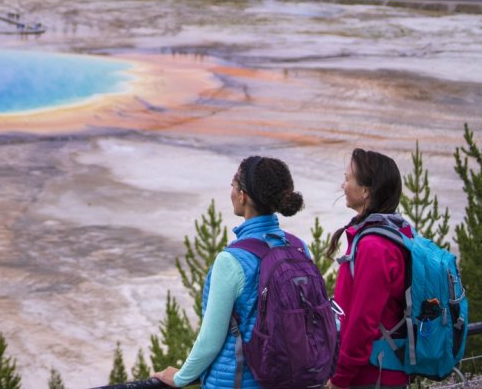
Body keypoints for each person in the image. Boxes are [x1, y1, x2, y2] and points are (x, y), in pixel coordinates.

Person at [155, 155, 307, 389]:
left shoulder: (232, 260)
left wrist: (180, 378)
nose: (231, 191)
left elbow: (210, 340)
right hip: (290, 380)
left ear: (242, 195)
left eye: (233, 185)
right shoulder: (299, 248)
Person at [324, 148, 409, 389]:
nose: (343, 185)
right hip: (383, 370)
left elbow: (363, 321)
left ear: (366, 191)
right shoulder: (393, 233)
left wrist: (340, 378)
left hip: (373, 376)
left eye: (348, 178)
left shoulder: (374, 247)